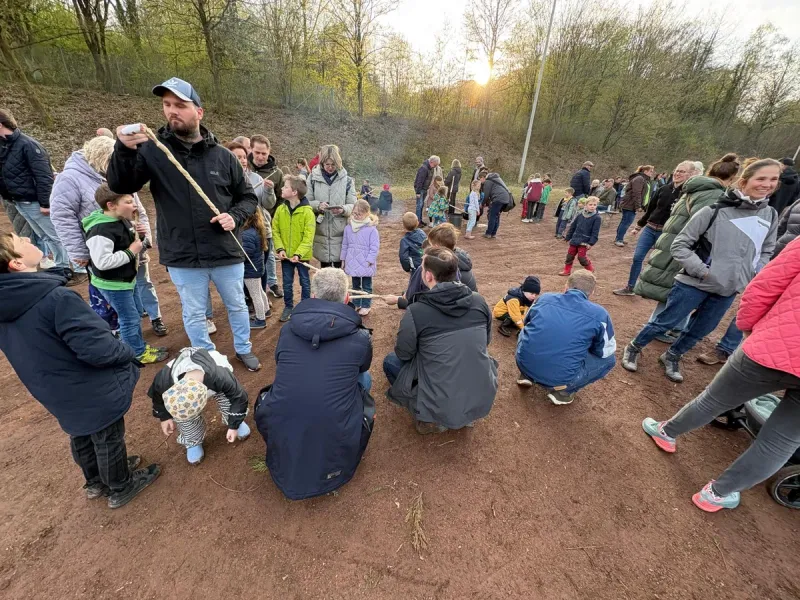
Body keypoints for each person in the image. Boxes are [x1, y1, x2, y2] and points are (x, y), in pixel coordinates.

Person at [108, 77, 262, 371]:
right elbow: (121, 183)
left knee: (237, 306)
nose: (171, 111)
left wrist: (235, 216)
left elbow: (248, 198)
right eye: (167, 105)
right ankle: (206, 358)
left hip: (225, 250)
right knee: (193, 313)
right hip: (183, 254)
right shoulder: (152, 150)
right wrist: (124, 150)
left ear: (199, 112)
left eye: (180, 105)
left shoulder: (224, 157)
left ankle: (243, 348)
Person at [0, 231, 161, 508]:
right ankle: (120, 484)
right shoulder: (55, 298)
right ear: (16, 263)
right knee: (107, 434)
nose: (27, 237)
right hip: (87, 384)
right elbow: (98, 349)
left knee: (81, 432)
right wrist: (127, 352)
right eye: (21, 242)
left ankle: (95, 480)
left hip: (50, 386)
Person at [642, 235, 800, 512]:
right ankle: (718, 493)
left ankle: (666, 432)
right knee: (781, 442)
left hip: (776, 343)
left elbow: (765, 285)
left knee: (714, 400)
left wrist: (749, 327)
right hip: (779, 345)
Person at [622, 158, 781, 383]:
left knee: (701, 329)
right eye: (761, 178)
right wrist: (703, 271)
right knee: (666, 321)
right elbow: (680, 245)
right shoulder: (714, 210)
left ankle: (673, 355)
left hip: (729, 288)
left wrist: (751, 274)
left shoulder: (770, 215)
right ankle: (634, 347)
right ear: (744, 181)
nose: (767, 184)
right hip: (694, 282)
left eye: (773, 179)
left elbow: (766, 250)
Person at [254, 267, 375, 499]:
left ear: (312, 296)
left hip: (285, 424)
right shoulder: (360, 337)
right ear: (347, 298)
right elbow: (363, 367)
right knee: (363, 378)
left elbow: (280, 360)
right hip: (336, 441)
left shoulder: (288, 329)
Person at [50, 135, 168, 337]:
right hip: (101, 247)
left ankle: (153, 317)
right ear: (101, 160)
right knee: (110, 291)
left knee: (143, 281)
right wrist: (79, 251)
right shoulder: (70, 179)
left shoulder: (120, 174)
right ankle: (117, 331)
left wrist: (145, 236)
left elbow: (137, 208)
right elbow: (62, 216)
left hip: (132, 242)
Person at [383, 247, 498, 434]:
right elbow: (486, 341)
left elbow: (403, 353)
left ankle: (431, 416)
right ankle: (461, 413)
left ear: (428, 276)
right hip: (479, 390)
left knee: (390, 362)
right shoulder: (479, 301)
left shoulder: (416, 311)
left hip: (438, 394)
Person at [634, 154, 741, 343]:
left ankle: (672, 327)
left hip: (673, 243)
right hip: (686, 248)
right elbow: (703, 228)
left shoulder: (694, 189)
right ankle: (661, 328)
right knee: (677, 289)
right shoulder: (712, 194)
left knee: (672, 289)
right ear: (732, 179)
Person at [82, 185, 169, 364]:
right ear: (111, 205)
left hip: (127, 279)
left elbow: (128, 242)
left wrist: (141, 236)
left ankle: (135, 345)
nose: (134, 205)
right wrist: (131, 251)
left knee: (136, 313)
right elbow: (102, 262)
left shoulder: (121, 219)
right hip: (114, 284)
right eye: (128, 202)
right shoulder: (100, 231)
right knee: (129, 318)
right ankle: (137, 353)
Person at [516, 270, 616, 404]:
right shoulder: (600, 314)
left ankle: (526, 374)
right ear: (591, 293)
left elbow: (527, 322)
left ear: (566, 286)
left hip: (524, 363)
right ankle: (563, 392)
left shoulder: (544, 298)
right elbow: (604, 351)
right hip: (559, 378)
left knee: (527, 331)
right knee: (609, 360)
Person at [0, 108, 73, 281]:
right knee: (44, 235)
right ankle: (60, 266)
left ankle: (68, 269)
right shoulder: (5, 146)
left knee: (54, 235)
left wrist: (45, 203)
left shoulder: (28, 145)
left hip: (33, 201)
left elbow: (44, 176)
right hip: (17, 201)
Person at [148, 347, 250, 465]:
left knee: (228, 400)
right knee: (184, 416)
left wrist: (234, 426)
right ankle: (193, 441)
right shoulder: (164, 380)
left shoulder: (220, 375)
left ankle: (236, 421)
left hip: (216, 382)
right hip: (188, 391)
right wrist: (164, 416)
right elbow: (157, 397)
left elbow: (238, 397)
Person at [612, 161, 697, 296]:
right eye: (677, 170)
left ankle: (653, 290)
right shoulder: (663, 189)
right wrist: (639, 226)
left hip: (667, 233)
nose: (678, 173)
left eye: (682, 171)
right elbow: (651, 209)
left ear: (691, 174)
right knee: (638, 257)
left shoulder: (688, 195)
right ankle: (630, 287)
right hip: (650, 229)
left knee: (659, 263)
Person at [224, 140, 278, 302]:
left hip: (259, 230)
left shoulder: (255, 178)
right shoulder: (222, 180)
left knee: (259, 268)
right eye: (237, 157)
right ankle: (246, 300)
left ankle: (260, 300)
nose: (241, 160)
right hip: (234, 232)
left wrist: (269, 191)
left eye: (243, 157)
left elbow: (268, 204)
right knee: (239, 270)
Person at [273, 174, 316, 322]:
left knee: (305, 281)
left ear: (294, 192)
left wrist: (298, 254)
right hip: (285, 256)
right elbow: (275, 231)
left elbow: (308, 237)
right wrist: (280, 249)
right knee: (286, 282)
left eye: (285, 187)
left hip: (302, 257)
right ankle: (288, 306)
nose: (282, 189)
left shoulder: (308, 212)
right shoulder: (280, 210)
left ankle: (305, 307)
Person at [307, 144, 356, 268]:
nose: (330, 167)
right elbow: (306, 202)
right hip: (320, 229)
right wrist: (318, 206)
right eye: (327, 164)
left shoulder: (348, 181)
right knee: (325, 267)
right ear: (322, 163)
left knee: (339, 268)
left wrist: (343, 209)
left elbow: (353, 205)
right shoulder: (312, 179)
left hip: (340, 229)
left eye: (333, 165)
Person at [247, 134, 283, 298]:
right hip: (245, 224)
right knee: (251, 258)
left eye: (264, 153)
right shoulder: (242, 167)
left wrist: (275, 218)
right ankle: (251, 292)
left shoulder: (276, 173)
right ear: (251, 150)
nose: (261, 157)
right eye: (257, 152)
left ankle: (272, 283)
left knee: (268, 254)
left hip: (268, 222)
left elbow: (280, 199)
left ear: (269, 152)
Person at [341, 199, 380, 316]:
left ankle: (366, 305)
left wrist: (369, 260)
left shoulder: (372, 230)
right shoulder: (348, 228)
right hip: (352, 261)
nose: (356, 216)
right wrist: (343, 259)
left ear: (367, 213)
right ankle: (356, 303)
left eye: (359, 214)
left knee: (366, 285)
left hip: (366, 263)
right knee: (355, 285)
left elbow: (375, 247)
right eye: (354, 213)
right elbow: (345, 244)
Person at [241, 210, 271, 328]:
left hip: (250, 270)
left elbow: (245, 254)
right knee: (259, 291)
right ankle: (266, 310)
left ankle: (260, 320)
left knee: (255, 295)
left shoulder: (246, 234)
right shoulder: (256, 231)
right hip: (257, 268)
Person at [560, 196, 601, 275]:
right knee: (569, 256)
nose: (592, 206)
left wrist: (591, 243)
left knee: (581, 258)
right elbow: (573, 226)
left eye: (594, 205)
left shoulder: (597, 218)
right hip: (575, 239)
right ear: (586, 205)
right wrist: (568, 237)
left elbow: (595, 232)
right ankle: (567, 271)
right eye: (590, 204)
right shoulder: (580, 215)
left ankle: (590, 270)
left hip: (585, 241)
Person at [615, 165, 654, 246]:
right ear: (645, 171)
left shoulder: (644, 179)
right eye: (651, 171)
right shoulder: (639, 178)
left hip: (631, 204)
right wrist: (638, 206)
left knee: (625, 222)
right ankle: (619, 239)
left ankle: (619, 238)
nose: (652, 173)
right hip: (630, 204)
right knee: (626, 222)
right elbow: (637, 193)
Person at [480, 170, 511, 239]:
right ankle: (493, 233)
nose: (480, 181)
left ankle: (488, 233)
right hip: (506, 198)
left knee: (492, 216)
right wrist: (487, 203)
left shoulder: (488, 181)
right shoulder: (496, 179)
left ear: (483, 177)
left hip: (498, 199)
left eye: (480, 179)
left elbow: (486, 195)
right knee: (497, 216)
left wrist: (482, 204)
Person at [414, 155, 440, 222]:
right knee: (419, 206)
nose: (435, 167)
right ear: (431, 162)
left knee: (421, 205)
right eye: (434, 165)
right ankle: (417, 222)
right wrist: (418, 192)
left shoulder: (430, 168)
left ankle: (420, 220)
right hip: (420, 189)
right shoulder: (424, 168)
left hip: (425, 189)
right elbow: (419, 181)